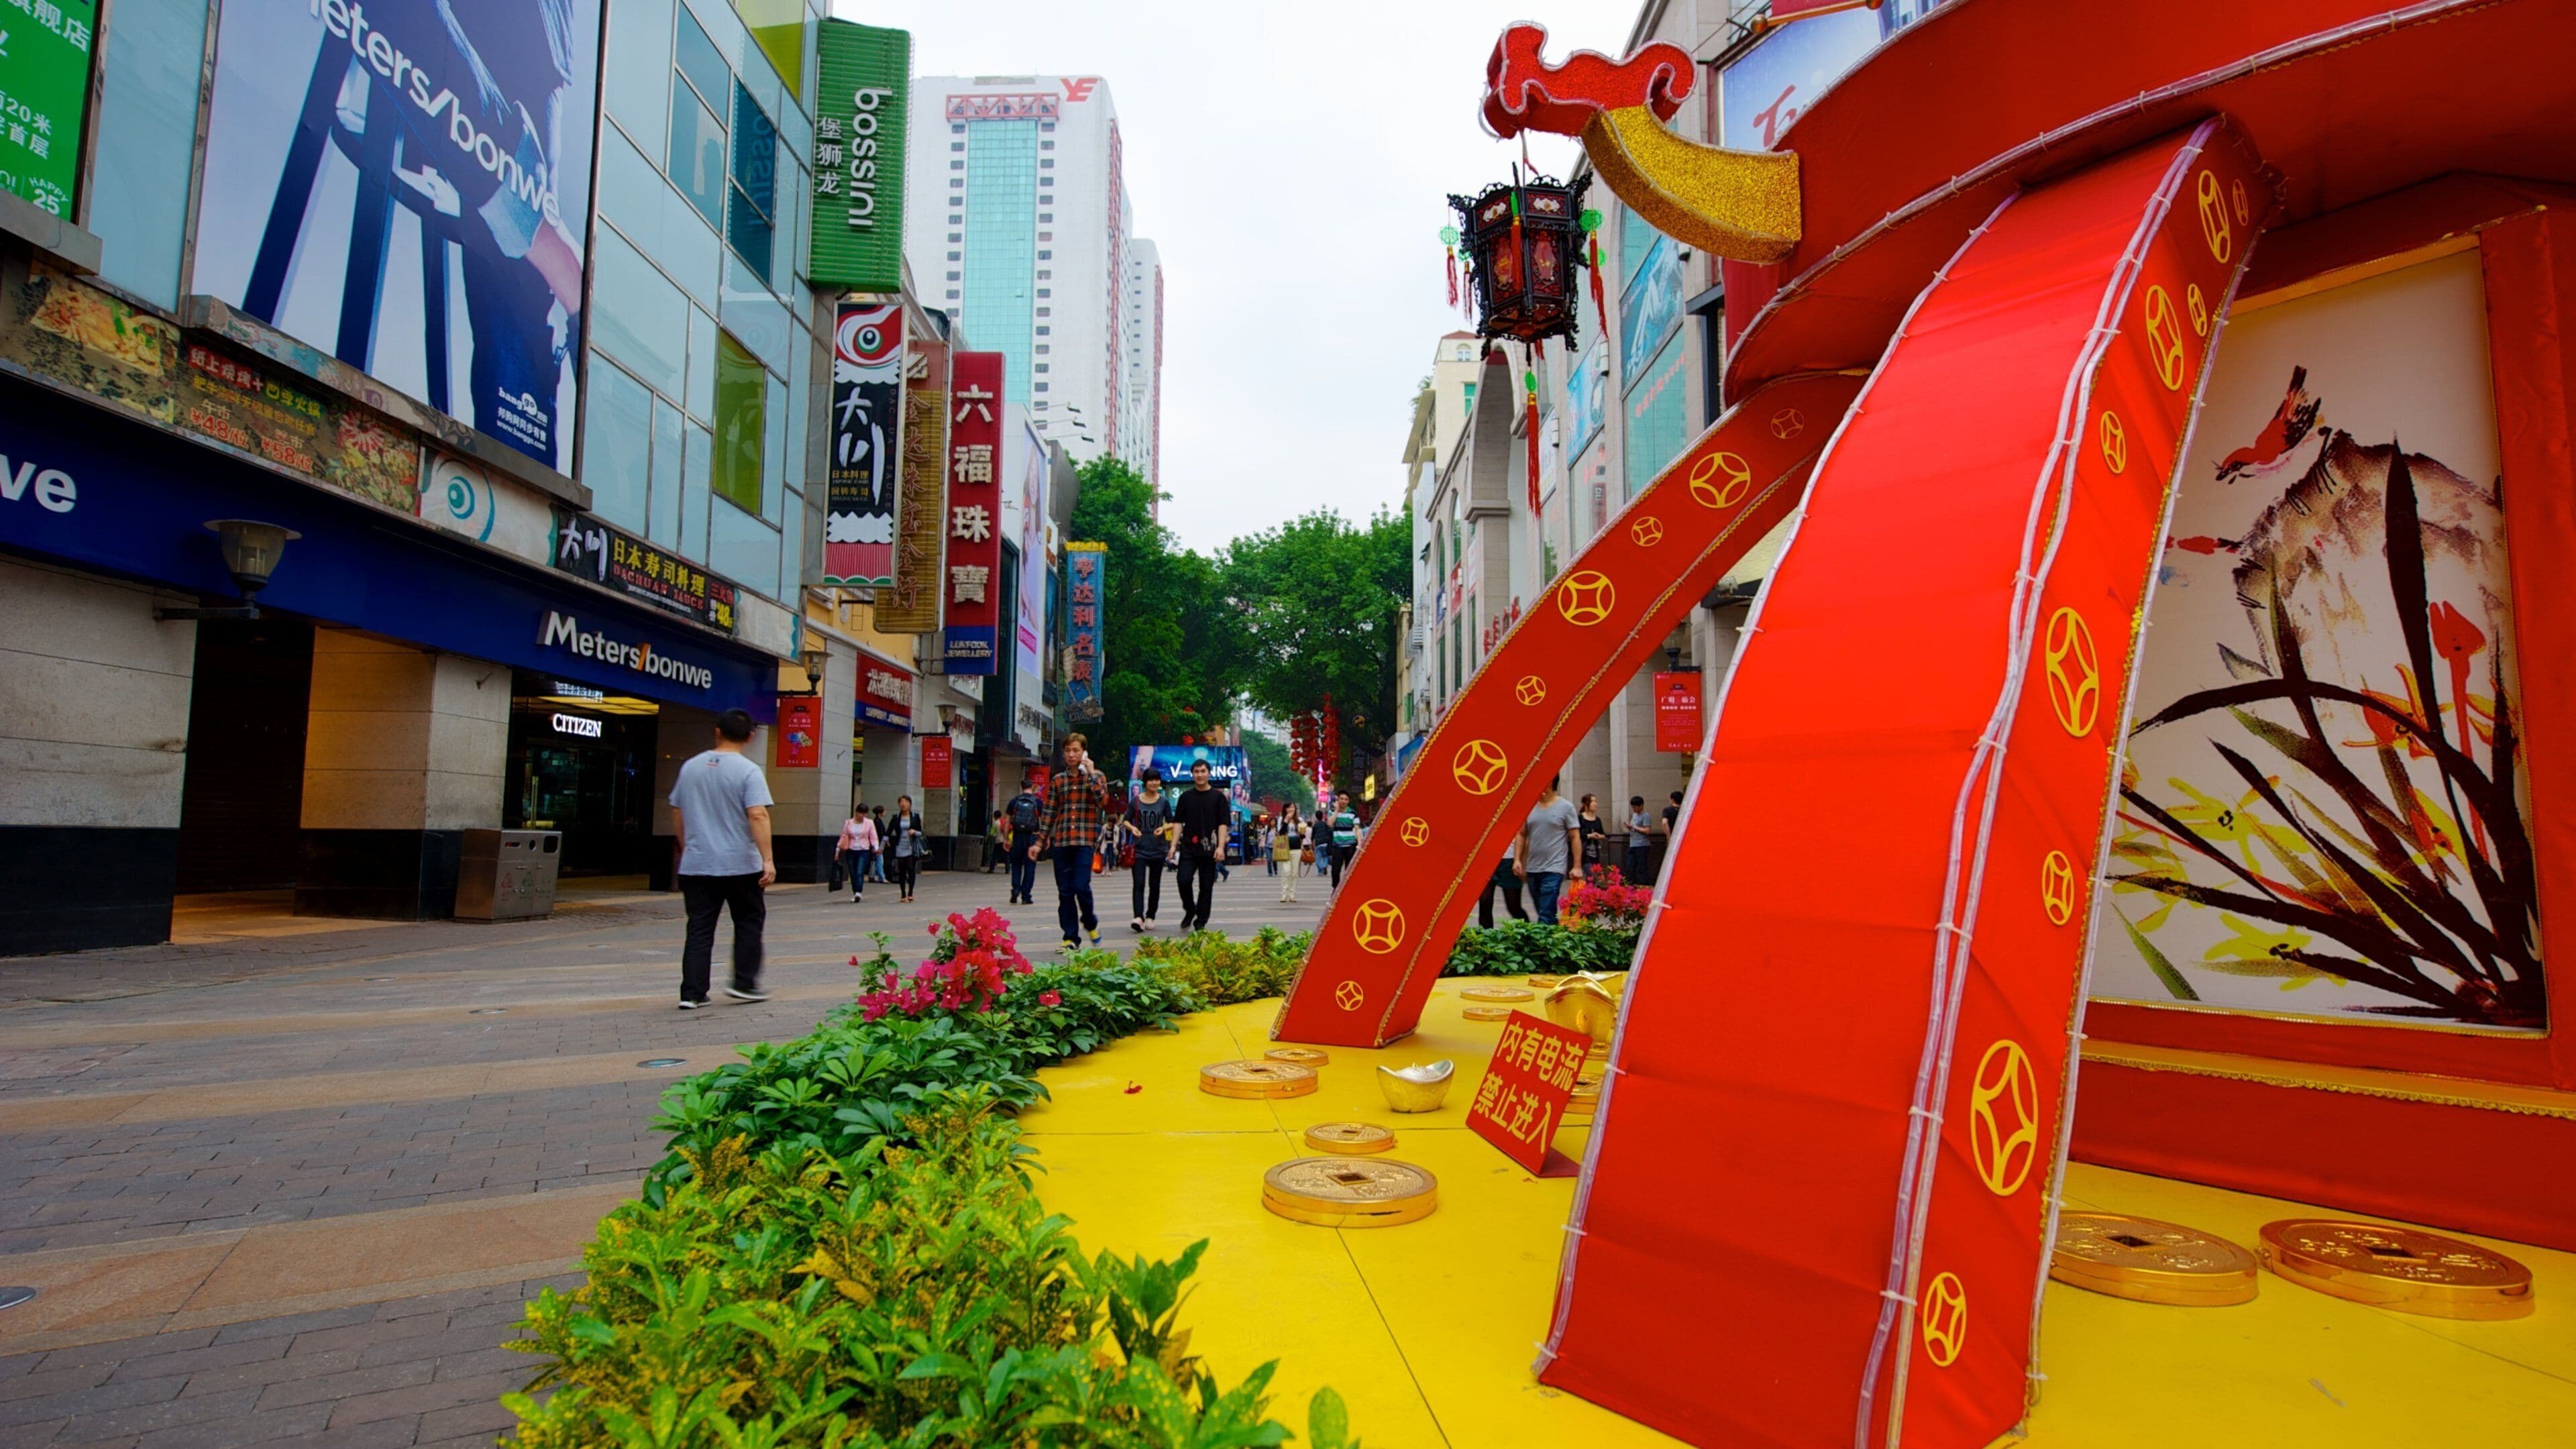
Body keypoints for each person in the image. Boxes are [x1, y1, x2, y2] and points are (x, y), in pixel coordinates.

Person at [669, 708, 774, 1008]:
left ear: (717, 732)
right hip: (740, 863)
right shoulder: (749, 771)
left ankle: (692, 992)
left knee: (699, 928)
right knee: (748, 921)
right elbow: (758, 814)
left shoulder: (690, 767)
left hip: (698, 862)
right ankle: (744, 983)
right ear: (751, 737)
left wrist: (685, 846)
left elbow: (677, 811)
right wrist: (767, 859)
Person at [1032, 733, 1108, 950]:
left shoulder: (1097, 776)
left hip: (1084, 842)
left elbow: (1102, 802)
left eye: (1076, 750)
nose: (1071, 755)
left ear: (1084, 752)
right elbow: (1048, 813)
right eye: (1068, 751)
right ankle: (1070, 937)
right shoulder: (1058, 780)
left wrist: (1091, 774)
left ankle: (1090, 922)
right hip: (1062, 844)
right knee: (1065, 892)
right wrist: (1039, 843)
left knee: (1081, 886)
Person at [1173, 757, 1231, 932]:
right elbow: (1178, 822)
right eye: (1196, 772)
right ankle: (1190, 910)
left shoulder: (1218, 798)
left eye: (1203, 771)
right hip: (1189, 847)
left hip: (1210, 849)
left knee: (1206, 887)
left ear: (1209, 773)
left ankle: (1201, 922)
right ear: (1192, 774)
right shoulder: (1185, 797)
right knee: (1183, 879)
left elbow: (1223, 824)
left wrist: (1221, 847)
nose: (1199, 775)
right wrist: (1173, 846)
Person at [1517, 775, 1585, 925]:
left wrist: (1577, 866)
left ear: (1549, 781)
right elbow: (1522, 834)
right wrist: (1517, 860)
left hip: (1554, 867)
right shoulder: (1530, 806)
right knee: (1544, 910)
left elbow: (1575, 837)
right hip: (1533, 867)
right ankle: (1555, 939)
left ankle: (1543, 945)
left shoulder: (1566, 807)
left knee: (1545, 913)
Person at [1121, 770, 1175, 931]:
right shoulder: (1136, 801)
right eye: (1151, 780)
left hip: (1158, 848)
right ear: (1145, 782)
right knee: (1139, 883)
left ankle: (1151, 916)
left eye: (1157, 780)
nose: (1154, 783)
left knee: (1154, 884)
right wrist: (1133, 829)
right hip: (1139, 849)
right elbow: (1126, 821)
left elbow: (1172, 822)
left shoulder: (1164, 801)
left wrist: (1163, 828)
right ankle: (1138, 917)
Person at [1002, 773, 1046, 904]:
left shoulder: (1014, 801)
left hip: (1017, 836)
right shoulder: (1038, 802)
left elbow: (1007, 822)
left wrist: (1006, 839)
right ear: (1032, 787)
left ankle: (1016, 889)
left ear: (1021, 788)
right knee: (1030, 866)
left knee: (1016, 865)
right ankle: (1026, 896)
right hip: (1032, 836)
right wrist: (1045, 838)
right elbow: (1044, 822)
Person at [1479, 837, 1527, 928]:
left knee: (1513, 906)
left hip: (1509, 860)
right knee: (1485, 901)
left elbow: (1522, 836)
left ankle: (1527, 932)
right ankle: (1485, 936)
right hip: (1486, 859)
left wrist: (1519, 860)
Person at [837, 806, 879, 904]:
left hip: (863, 850)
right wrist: (837, 850)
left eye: (864, 814)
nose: (862, 816)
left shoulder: (869, 823)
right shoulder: (848, 822)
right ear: (856, 812)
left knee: (860, 871)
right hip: (851, 850)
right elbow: (843, 836)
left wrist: (876, 847)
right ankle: (855, 891)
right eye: (860, 813)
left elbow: (873, 836)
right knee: (852, 872)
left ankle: (858, 893)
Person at [885, 796, 924, 903]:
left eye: (906, 802)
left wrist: (914, 832)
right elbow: (888, 832)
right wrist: (880, 847)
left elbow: (921, 832)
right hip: (900, 846)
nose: (904, 804)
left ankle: (910, 893)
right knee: (902, 871)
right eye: (901, 802)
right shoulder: (895, 817)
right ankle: (903, 894)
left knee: (911, 869)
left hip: (912, 847)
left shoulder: (915, 817)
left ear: (910, 804)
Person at [1275, 806, 1307, 904]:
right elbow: (1281, 833)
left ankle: (1292, 895)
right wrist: (1287, 820)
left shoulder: (1300, 820)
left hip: (1297, 848)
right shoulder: (1281, 819)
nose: (1291, 809)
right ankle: (1284, 895)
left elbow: (1302, 836)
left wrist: (1302, 832)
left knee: (1294, 873)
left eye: (1293, 807)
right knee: (1286, 871)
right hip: (1285, 848)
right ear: (1285, 809)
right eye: (1289, 808)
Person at [1327, 802, 1360, 892]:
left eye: (1346, 799)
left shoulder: (1353, 813)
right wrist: (1337, 810)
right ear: (1339, 800)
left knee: (1349, 870)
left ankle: (1348, 890)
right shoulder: (1332, 812)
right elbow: (1330, 823)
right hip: (1337, 845)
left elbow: (1357, 829)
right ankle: (1336, 888)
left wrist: (1360, 844)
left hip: (1350, 845)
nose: (1343, 801)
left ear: (1348, 801)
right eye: (1341, 799)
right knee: (1335, 870)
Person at [1625, 795, 1655, 883]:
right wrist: (1629, 827)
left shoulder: (1646, 816)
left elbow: (1647, 830)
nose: (1634, 809)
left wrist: (1634, 827)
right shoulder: (1634, 815)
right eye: (1632, 807)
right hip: (1633, 844)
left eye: (1635, 807)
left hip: (1642, 844)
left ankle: (1644, 885)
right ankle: (1631, 883)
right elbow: (1634, 827)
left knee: (1642, 867)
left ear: (1641, 806)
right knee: (1630, 866)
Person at [1578, 794, 1607, 875]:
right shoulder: (1580, 818)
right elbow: (1576, 835)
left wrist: (1599, 836)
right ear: (1586, 804)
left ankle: (1588, 888)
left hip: (1595, 852)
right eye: (1592, 801)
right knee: (1592, 875)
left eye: (1595, 801)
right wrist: (1589, 835)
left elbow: (1603, 834)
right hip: (1584, 852)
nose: (1595, 804)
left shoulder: (1597, 819)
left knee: (1593, 879)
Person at [871, 806, 890, 882]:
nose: (885, 812)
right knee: (880, 861)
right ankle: (882, 877)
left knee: (877, 860)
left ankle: (874, 876)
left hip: (879, 842)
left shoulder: (877, 821)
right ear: (880, 813)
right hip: (878, 843)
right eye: (884, 811)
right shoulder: (877, 822)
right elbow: (880, 834)